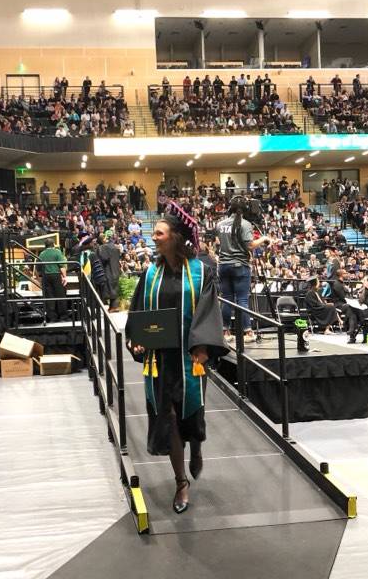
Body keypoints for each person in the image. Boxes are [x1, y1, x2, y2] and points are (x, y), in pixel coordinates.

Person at [125, 201, 228, 514]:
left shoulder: (201, 272)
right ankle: (181, 481)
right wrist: (139, 340)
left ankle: (196, 447)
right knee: (167, 416)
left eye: (159, 232)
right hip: (160, 359)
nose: (153, 237)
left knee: (192, 412)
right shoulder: (151, 274)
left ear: (176, 237)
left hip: (191, 356)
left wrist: (203, 345)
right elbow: (139, 310)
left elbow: (209, 310)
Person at [216, 196, 269, 341]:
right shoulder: (245, 224)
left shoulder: (220, 224)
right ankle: (248, 332)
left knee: (226, 299)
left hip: (223, 265)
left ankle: (225, 333)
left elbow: (220, 241)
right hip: (240, 266)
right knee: (242, 299)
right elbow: (250, 245)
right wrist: (264, 239)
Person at [37, 239, 68, 322]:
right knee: (60, 295)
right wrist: (64, 277)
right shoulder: (57, 252)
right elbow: (62, 266)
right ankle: (63, 317)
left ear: (45, 245)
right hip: (56, 275)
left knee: (49, 297)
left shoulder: (42, 254)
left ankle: (52, 318)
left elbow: (38, 268)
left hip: (45, 277)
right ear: (53, 245)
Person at [97, 234, 121, 312]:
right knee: (114, 287)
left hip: (108, 270)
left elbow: (103, 258)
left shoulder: (104, 247)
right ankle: (114, 306)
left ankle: (113, 307)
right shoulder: (115, 246)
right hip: (116, 269)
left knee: (110, 288)